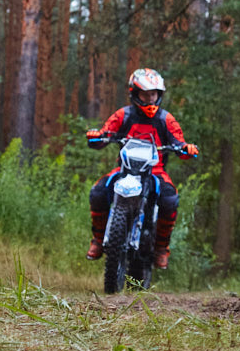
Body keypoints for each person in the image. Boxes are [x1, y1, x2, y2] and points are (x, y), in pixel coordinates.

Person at [85, 68, 198, 270]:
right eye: (145, 94)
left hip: (155, 171)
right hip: (125, 169)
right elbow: (103, 135)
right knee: (98, 191)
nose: (150, 99)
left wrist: (186, 148)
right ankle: (98, 239)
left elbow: (180, 143)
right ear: (135, 93)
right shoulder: (123, 115)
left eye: (153, 94)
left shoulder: (166, 119)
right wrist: (96, 136)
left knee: (170, 198)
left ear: (159, 95)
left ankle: (162, 248)